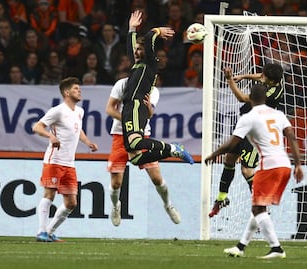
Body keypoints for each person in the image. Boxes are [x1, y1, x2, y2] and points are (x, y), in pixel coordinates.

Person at [205, 83, 304, 259]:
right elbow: (292, 137)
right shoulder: (278, 114)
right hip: (285, 165)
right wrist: (298, 165)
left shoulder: (248, 117)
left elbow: (231, 143)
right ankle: (241, 246)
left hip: (269, 166)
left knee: (259, 209)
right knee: (258, 208)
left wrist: (214, 154)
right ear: (266, 98)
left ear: (250, 98)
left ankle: (276, 248)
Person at [209, 63, 284, 217]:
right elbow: (261, 76)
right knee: (229, 159)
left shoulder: (270, 94)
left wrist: (230, 80)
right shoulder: (276, 80)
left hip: (256, 131)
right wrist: (244, 76)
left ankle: (262, 207)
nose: (261, 77)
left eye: (264, 77)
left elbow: (241, 97)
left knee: (247, 170)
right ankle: (222, 198)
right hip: (245, 125)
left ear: (270, 81)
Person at [121, 10, 193, 166]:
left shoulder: (150, 64)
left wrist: (157, 31)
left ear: (147, 52)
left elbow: (148, 38)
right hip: (128, 108)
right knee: (135, 158)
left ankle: (173, 147)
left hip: (136, 105)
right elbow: (130, 48)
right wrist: (131, 30)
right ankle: (172, 151)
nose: (136, 51)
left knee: (135, 143)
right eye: (136, 49)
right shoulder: (137, 65)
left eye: (140, 49)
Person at [107, 77, 180, 226]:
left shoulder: (153, 91)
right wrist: (128, 121)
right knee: (116, 183)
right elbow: (109, 109)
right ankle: (116, 206)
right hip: (120, 135)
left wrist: (147, 108)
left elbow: (150, 114)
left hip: (141, 135)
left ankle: (168, 205)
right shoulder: (123, 84)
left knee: (157, 178)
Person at [33, 77, 98, 242]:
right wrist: (50, 136)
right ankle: (41, 231)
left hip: (69, 163)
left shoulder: (79, 111)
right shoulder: (58, 111)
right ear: (66, 92)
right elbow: (37, 126)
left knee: (71, 203)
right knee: (49, 194)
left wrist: (87, 141)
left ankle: (50, 231)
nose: (79, 90)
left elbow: (78, 129)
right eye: (76, 88)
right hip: (54, 160)